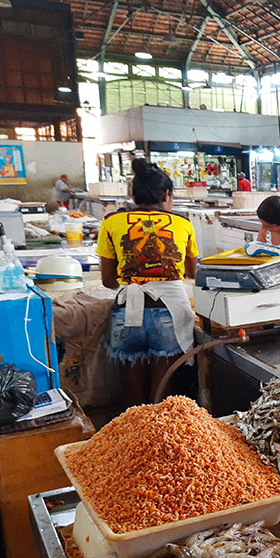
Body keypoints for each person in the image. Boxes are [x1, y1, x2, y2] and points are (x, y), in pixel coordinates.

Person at [96, 158, 198, 407]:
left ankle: (135, 438)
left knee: (132, 392)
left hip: (126, 312)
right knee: (162, 391)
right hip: (170, 314)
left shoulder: (111, 223)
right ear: (166, 194)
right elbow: (192, 272)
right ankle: (159, 438)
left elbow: (108, 280)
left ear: (133, 193)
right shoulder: (182, 224)